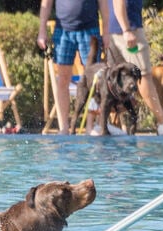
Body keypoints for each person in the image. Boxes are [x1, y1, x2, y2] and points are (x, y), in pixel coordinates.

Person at [109, 0, 163, 136]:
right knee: (143, 74)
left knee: (116, 76)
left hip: (119, 27)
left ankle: (105, 123)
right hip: (129, 28)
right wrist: (127, 30)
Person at [37, 0, 110, 135]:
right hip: (63, 30)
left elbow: (104, 4)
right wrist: (42, 31)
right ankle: (64, 126)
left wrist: (106, 31)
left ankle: (90, 126)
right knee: (63, 79)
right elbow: (46, 3)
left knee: (94, 80)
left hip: (90, 29)